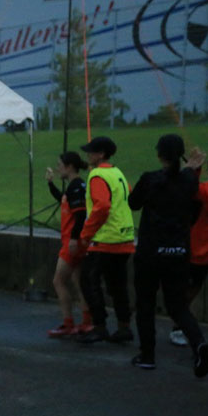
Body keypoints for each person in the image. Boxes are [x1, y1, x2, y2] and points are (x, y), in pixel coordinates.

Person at [127, 135, 208, 376]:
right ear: (181, 155)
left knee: (145, 304)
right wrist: (191, 170)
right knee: (178, 306)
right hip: (179, 252)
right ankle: (199, 344)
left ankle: (147, 355)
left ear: (159, 155)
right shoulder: (188, 182)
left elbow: (133, 203)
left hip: (150, 253)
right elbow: (195, 208)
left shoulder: (150, 179)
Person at [76, 136, 135, 344]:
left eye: (91, 151)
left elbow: (102, 206)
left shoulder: (97, 175)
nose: (87, 155)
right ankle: (124, 327)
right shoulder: (117, 173)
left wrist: (85, 235)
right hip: (125, 237)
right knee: (117, 285)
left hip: (105, 239)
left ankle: (99, 326)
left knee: (88, 281)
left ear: (100, 154)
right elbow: (128, 194)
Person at [45, 152, 92, 337]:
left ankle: (68, 323)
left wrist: (73, 239)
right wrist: (50, 184)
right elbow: (63, 200)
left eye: (60, 165)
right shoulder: (74, 186)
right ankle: (86, 321)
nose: (58, 169)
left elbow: (80, 215)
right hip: (76, 241)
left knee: (58, 281)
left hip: (72, 242)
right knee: (78, 280)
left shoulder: (76, 187)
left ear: (70, 166)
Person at [171, 153, 208, 349]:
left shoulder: (205, 190)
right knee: (190, 291)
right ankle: (179, 327)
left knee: (190, 291)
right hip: (201, 252)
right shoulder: (205, 191)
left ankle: (179, 327)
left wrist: (193, 169)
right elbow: (191, 189)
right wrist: (194, 170)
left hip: (202, 251)